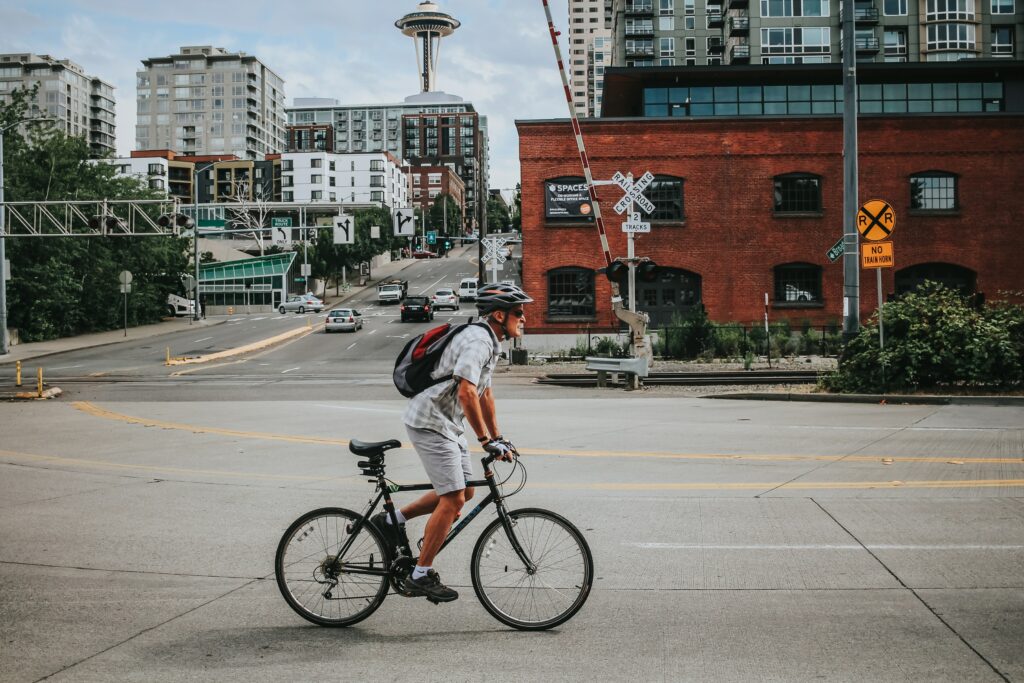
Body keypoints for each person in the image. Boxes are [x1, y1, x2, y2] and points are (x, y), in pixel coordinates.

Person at [372, 282, 533, 602]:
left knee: (466, 491)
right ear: (499, 315)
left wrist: (498, 436)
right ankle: (419, 575)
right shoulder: (477, 341)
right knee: (454, 498)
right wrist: (485, 440)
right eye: (519, 312)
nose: (524, 318)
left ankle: (392, 520)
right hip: (430, 422)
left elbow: (484, 393)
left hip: (447, 424)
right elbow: (466, 392)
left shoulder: (489, 340)